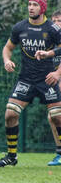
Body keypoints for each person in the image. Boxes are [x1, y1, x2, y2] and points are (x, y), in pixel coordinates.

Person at [0, 0, 61, 167]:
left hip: (48, 79)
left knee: (57, 117)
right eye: (29, 4)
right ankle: (11, 156)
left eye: (35, 5)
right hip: (26, 79)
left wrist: (57, 73)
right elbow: (8, 48)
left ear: (43, 8)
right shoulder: (20, 27)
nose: (31, 8)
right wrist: (7, 60)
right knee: (10, 114)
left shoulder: (53, 28)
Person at [40, 10, 61, 166]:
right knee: (52, 117)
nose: (56, 24)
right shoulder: (51, 41)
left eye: (59, 21)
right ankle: (59, 153)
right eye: (54, 21)